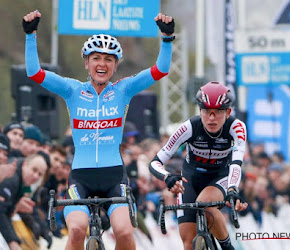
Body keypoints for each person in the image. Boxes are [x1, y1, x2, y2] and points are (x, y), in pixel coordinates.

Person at [23, 9, 175, 250]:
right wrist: (30, 35)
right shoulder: (73, 90)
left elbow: (160, 70)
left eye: (108, 59)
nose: (102, 64)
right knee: (75, 230)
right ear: (87, 62)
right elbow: (34, 72)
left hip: (114, 175)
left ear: (115, 66)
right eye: (96, 58)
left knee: (125, 232)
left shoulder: (123, 90)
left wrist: (167, 39)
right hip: (81, 176)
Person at [149, 81, 248, 250]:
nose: (211, 118)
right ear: (200, 111)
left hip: (219, 177)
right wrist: (168, 177)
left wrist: (232, 189)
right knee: (188, 244)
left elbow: (237, 163)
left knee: (205, 202)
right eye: (206, 111)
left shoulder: (237, 127)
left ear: (228, 112)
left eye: (217, 112)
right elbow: (155, 162)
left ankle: (227, 247)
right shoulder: (189, 127)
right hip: (191, 178)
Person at [0, 154, 48, 250]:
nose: (35, 176)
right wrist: (13, 242)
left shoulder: (23, 183)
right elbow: (1, 212)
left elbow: (7, 212)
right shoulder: (12, 177)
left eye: (40, 174)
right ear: (25, 164)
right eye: (34, 170)